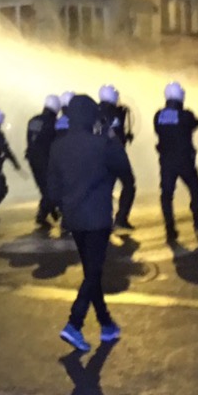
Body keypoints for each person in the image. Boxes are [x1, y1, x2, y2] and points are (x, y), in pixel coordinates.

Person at [48, 94, 135, 351]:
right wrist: (111, 136)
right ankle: (74, 323)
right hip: (97, 217)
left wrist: (65, 205)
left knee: (91, 273)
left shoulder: (58, 146)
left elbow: (52, 189)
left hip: (73, 218)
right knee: (94, 272)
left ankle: (106, 323)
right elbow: (126, 173)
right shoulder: (102, 144)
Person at [153, 82, 198, 239]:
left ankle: (170, 228)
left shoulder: (159, 115)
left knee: (167, 194)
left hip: (166, 160)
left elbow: (158, 130)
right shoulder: (186, 115)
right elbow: (195, 123)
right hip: (184, 160)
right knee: (196, 189)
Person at [99, 85, 138, 230]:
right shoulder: (116, 113)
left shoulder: (94, 112)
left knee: (106, 188)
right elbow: (116, 135)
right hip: (116, 155)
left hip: (100, 156)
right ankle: (121, 219)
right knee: (129, 184)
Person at [27, 95, 62, 231]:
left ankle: (48, 212)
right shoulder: (54, 123)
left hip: (33, 159)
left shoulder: (33, 120)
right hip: (46, 160)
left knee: (45, 187)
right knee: (51, 188)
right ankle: (43, 214)